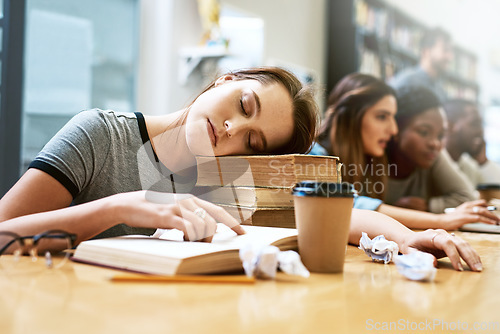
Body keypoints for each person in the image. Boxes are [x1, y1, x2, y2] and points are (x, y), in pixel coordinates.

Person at [0, 67, 482, 272]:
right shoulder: (99, 135)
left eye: (252, 141)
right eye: (242, 103)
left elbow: (343, 214)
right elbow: (3, 232)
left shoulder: (225, 179)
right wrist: (120, 207)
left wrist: (407, 237)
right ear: (225, 80)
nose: (231, 128)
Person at [312, 73, 498, 231]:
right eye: (382, 117)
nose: (393, 130)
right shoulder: (314, 156)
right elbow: (347, 204)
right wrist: (440, 221)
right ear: (349, 117)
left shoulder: (371, 155)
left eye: (392, 117)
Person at [385, 85, 485, 215]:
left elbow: (468, 198)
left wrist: (429, 206)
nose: (435, 144)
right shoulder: (375, 156)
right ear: (396, 128)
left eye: (441, 136)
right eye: (424, 132)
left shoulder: (433, 155)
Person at [443, 99, 500, 186]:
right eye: (474, 124)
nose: (481, 131)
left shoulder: (468, 167)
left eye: (481, 124)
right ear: (450, 126)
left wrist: (483, 162)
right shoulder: (433, 162)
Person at [389, 27, 453, 103]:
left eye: (451, 51)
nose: (450, 57)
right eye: (445, 50)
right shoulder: (406, 82)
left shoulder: (441, 92)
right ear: (426, 51)